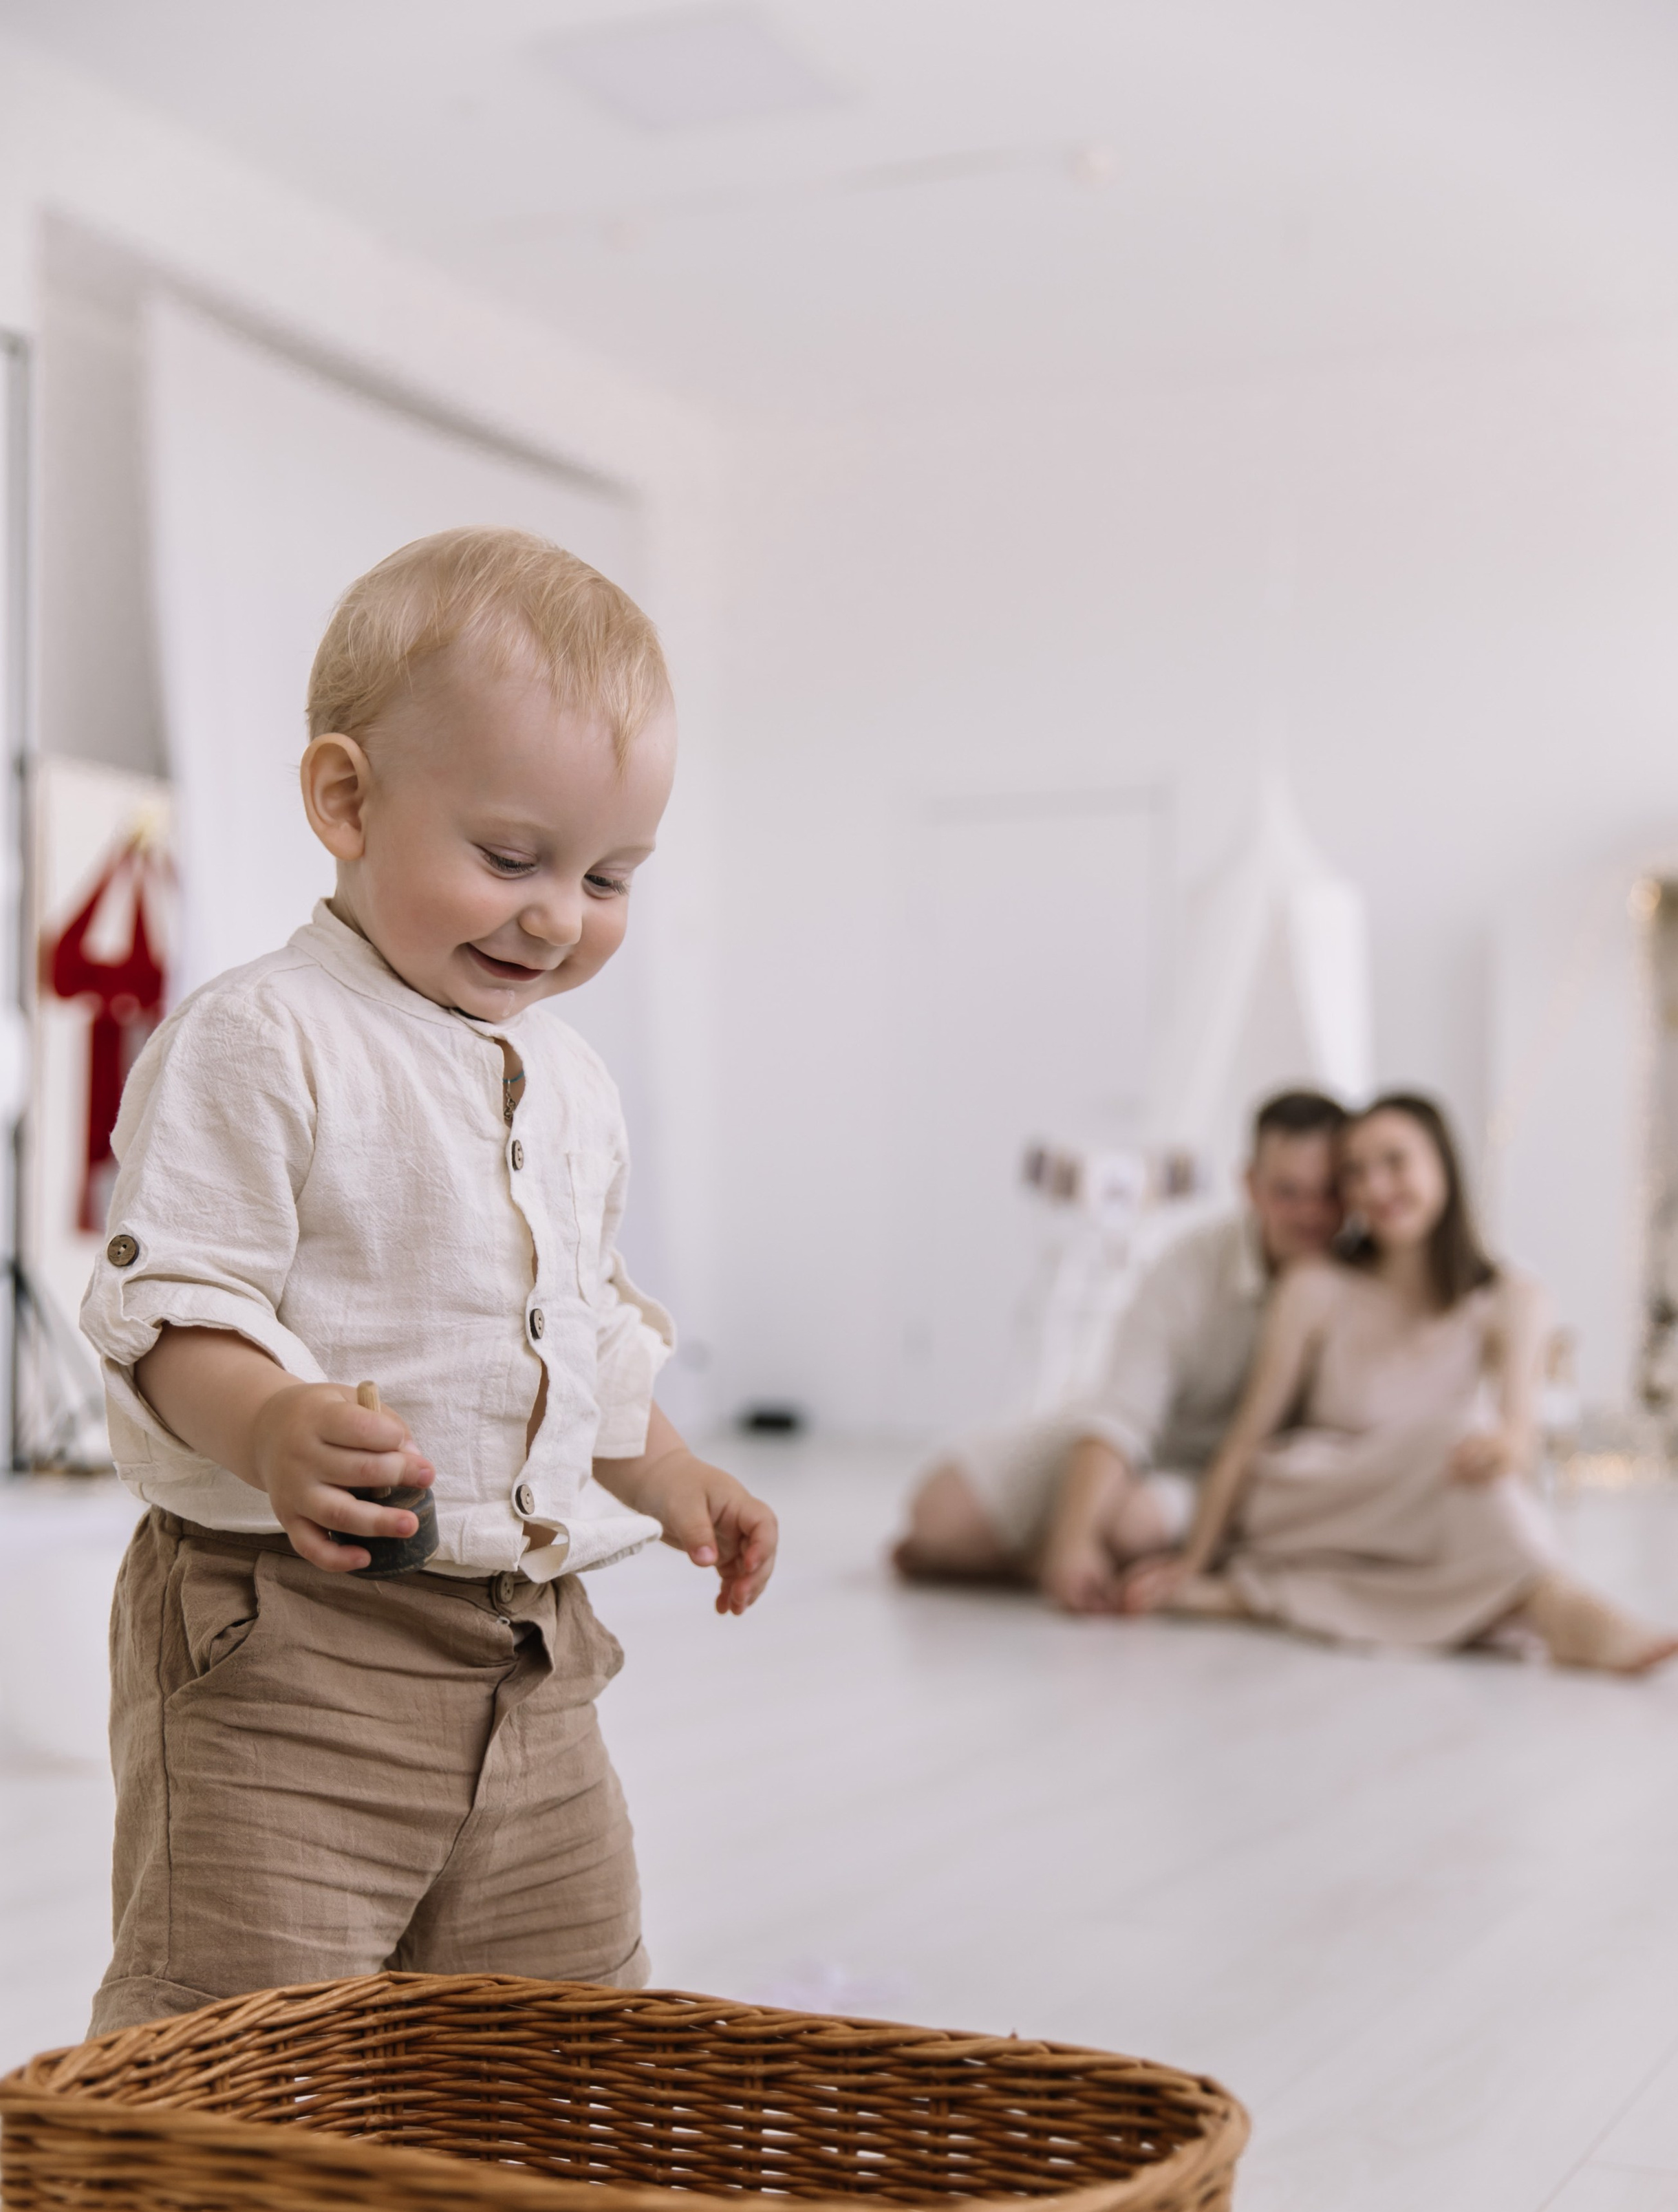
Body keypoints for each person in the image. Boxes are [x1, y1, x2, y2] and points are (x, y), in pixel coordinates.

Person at [78, 527, 779, 2037]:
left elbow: (570, 1334)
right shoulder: (266, 1038)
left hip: (531, 1654)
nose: (555, 915)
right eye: (509, 858)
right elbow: (172, 1306)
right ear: (345, 800)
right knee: (239, 2022)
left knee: (567, 2023)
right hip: (296, 1645)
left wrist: (665, 1475)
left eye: (607, 877)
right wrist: (270, 1426)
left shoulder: (570, 1081)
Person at [1125, 1092, 1677, 1673]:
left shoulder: (1513, 1300)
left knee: (1468, 1456)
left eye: (1394, 1162)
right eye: (1355, 1173)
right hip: (1310, 1496)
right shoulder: (1316, 1288)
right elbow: (1245, 1439)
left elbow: (1521, 1438)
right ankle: (1557, 1607)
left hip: (1427, 1508)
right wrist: (1195, 1560)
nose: (1375, 1188)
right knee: (1455, 1437)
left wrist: (1501, 1449)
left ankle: (1261, 1596)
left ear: (1443, 1164)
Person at [894, 1090, 1348, 1609]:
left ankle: (1033, 1561)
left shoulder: (1354, 1284)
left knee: (1135, 1524)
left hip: (1220, 1476)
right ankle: (1051, 1559)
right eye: (1288, 1192)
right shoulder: (1191, 1262)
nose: (1310, 1213)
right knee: (938, 1512)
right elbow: (1122, 1412)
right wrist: (1072, 1542)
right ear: (1250, 1185)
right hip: (1152, 1439)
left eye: (1327, 1192)